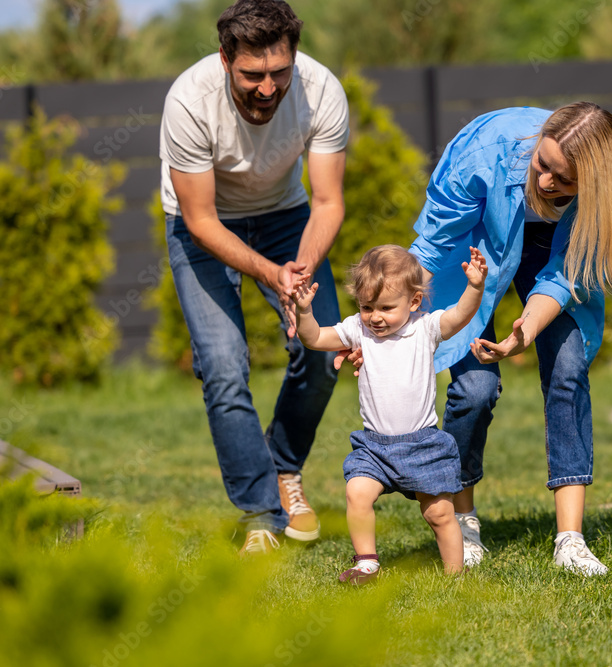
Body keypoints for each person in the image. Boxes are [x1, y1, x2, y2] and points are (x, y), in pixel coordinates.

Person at [406, 102, 612, 575]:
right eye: (543, 165)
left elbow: (566, 273)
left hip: (556, 255)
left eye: (563, 180)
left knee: (568, 369)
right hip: (476, 243)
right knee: (475, 389)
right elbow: (432, 245)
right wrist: (383, 319)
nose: (545, 184)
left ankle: (571, 541)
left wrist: (526, 330)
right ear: (538, 142)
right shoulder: (485, 151)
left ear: (593, 185)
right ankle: (461, 518)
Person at [158, 0, 349, 555]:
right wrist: (270, 272)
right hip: (205, 225)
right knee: (222, 366)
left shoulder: (321, 89)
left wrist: (301, 272)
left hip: (287, 217)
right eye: (253, 75)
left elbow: (329, 201)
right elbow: (199, 220)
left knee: (324, 350)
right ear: (225, 60)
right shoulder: (189, 101)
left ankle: (283, 467)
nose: (268, 89)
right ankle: (260, 514)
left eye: (279, 73)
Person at [290, 245, 488, 583]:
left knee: (440, 512)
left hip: (423, 445)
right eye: (367, 307)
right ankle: (366, 562)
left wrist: (475, 287)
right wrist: (304, 312)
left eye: (385, 307)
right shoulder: (358, 330)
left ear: (413, 302)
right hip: (374, 447)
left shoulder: (425, 328)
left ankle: (456, 577)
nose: (375, 317)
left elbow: (459, 316)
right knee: (357, 493)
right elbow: (314, 339)